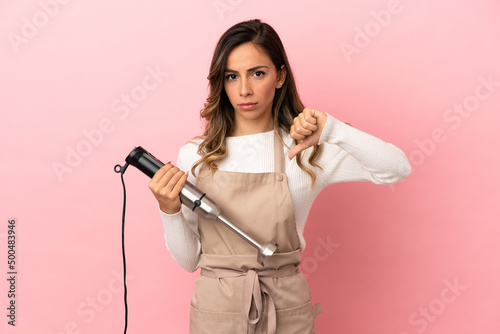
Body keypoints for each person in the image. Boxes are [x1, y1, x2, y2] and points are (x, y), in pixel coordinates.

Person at [148, 19, 411, 334]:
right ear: (221, 82)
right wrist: (169, 210)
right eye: (232, 76)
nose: (244, 90)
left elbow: (396, 168)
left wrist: (332, 129)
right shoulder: (196, 155)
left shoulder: (306, 148)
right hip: (216, 313)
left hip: (286, 310)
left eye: (257, 73)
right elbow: (189, 261)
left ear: (280, 76)